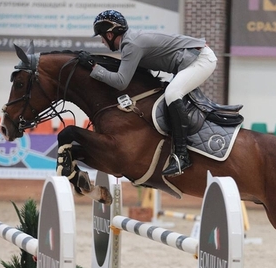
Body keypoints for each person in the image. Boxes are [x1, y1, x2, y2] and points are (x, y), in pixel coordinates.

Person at [86, 9, 218, 177]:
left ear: (110, 35)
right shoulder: (130, 42)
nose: (103, 42)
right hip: (193, 59)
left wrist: (94, 68)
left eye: (102, 37)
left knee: (172, 93)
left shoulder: (131, 45)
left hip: (202, 60)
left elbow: (120, 82)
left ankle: (182, 155)